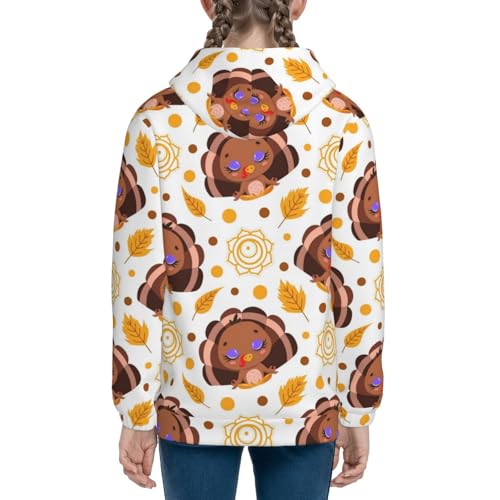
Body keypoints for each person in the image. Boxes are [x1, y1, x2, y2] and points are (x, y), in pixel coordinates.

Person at [110, 1, 385, 498]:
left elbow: (137, 283)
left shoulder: (155, 122)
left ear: (208, 3)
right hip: (306, 400)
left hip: (190, 401)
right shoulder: (342, 122)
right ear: (297, 4)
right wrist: (357, 405)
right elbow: (358, 279)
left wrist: (135, 410)